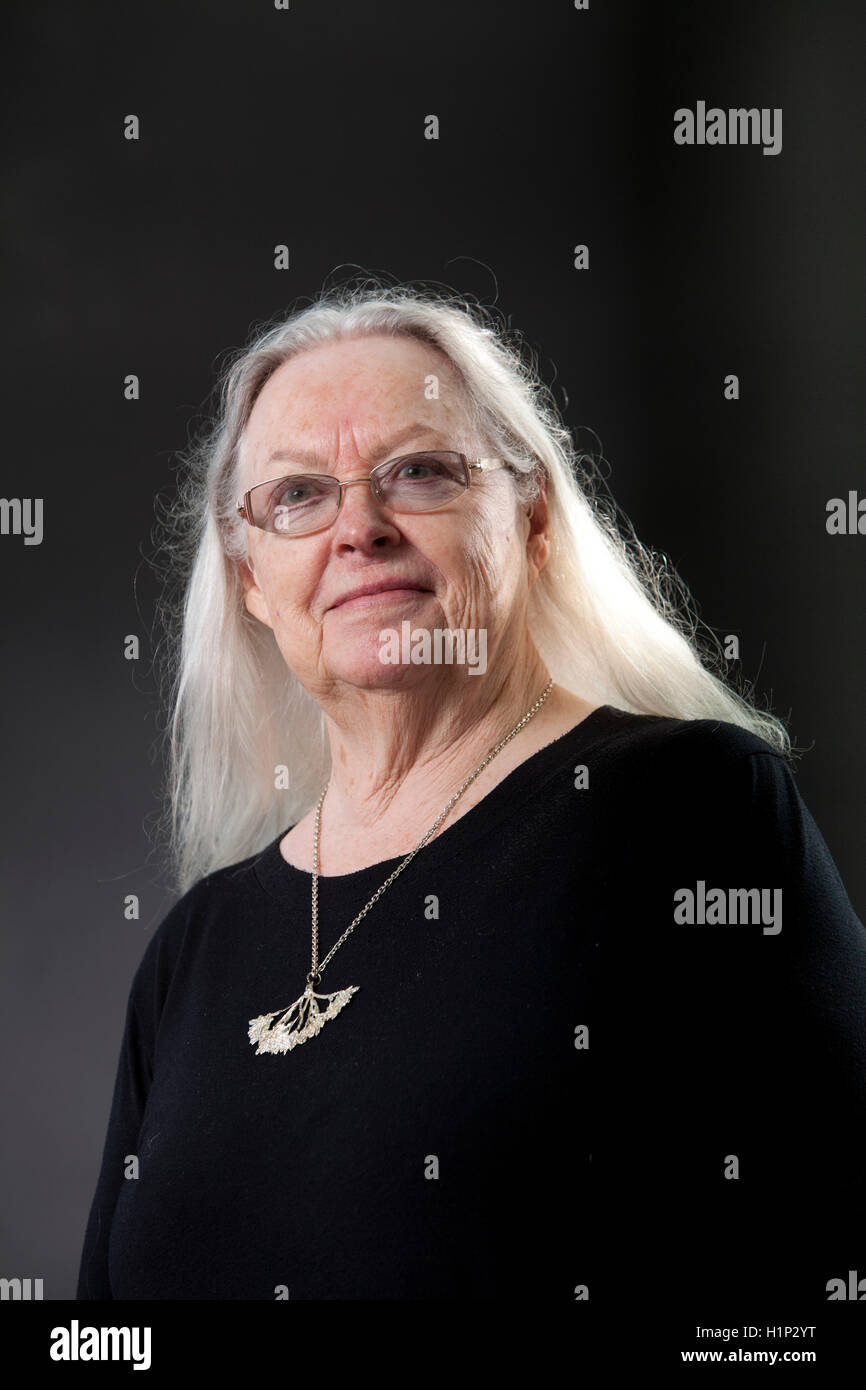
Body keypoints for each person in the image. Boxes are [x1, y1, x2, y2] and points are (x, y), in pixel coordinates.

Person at [76, 279, 866, 1304]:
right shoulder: (197, 945)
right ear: (251, 583)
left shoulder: (688, 811)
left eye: (418, 472)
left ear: (531, 518)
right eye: (299, 495)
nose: (357, 526)